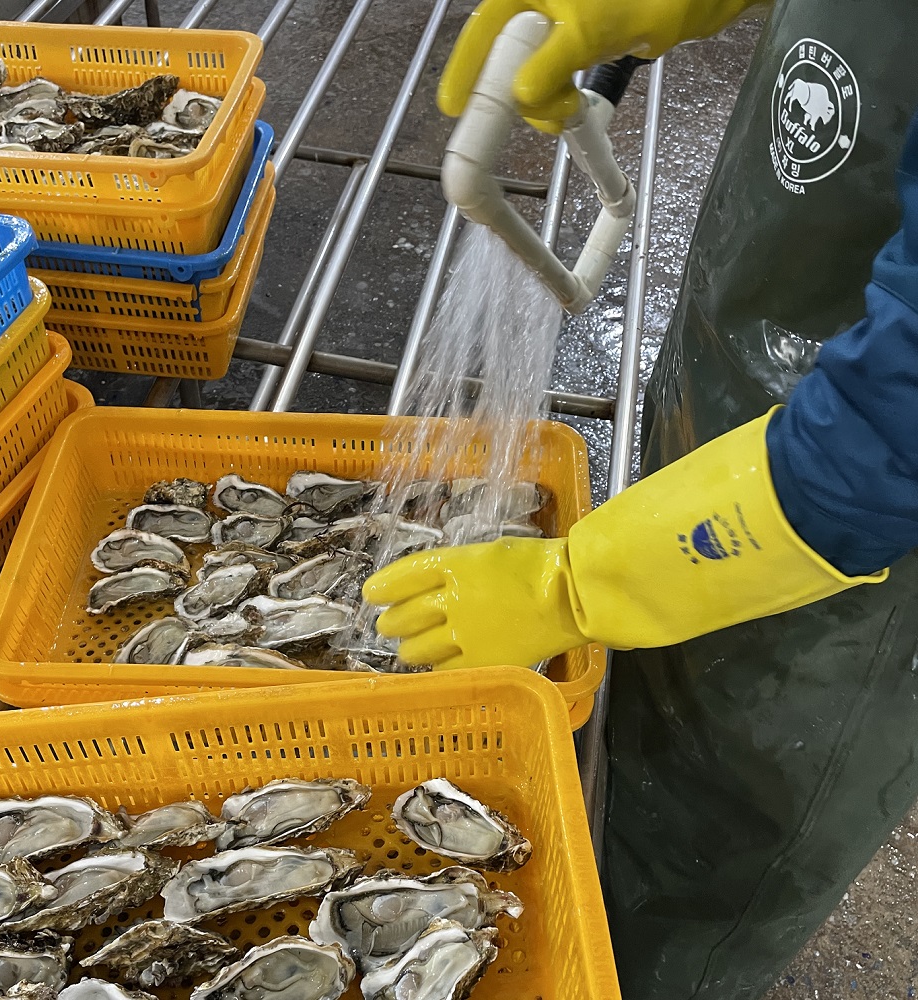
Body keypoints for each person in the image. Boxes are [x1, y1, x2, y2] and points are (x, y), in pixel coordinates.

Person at [362, 1, 918, 997]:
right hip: (748, 368)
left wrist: (580, 584)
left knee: (714, 840)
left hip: (864, 560)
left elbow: (893, 431)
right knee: (644, 739)